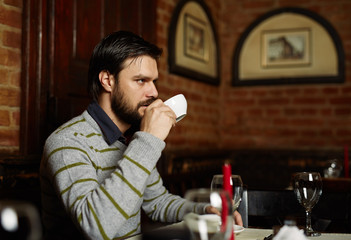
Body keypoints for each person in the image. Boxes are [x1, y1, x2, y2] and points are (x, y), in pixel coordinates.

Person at [40, 30, 242, 240]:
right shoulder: (66, 142)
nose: (154, 92)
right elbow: (96, 227)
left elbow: (157, 202)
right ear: (108, 80)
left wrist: (204, 211)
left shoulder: (131, 139)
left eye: (154, 81)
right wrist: (148, 140)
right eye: (141, 80)